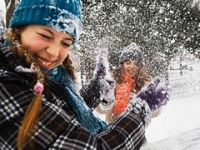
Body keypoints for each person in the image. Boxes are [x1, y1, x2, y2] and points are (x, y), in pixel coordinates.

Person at [0, 0, 167, 150]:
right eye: (45, 35)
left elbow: (59, 119)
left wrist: (94, 91)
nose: (53, 52)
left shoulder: (47, 76)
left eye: (66, 43)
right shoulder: (6, 83)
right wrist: (140, 109)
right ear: (18, 29)